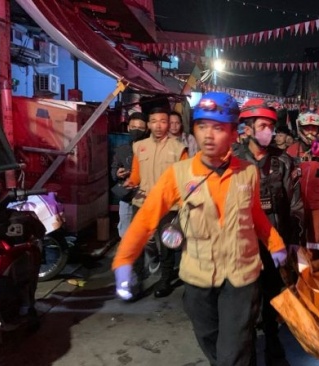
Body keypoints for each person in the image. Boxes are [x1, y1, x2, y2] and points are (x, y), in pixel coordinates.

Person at [113, 92, 287, 366]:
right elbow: (146, 217)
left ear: (233, 133)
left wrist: (275, 243)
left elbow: (255, 216)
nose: (208, 135)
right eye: (202, 126)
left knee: (233, 350)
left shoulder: (248, 173)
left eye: (218, 128)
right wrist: (124, 260)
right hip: (197, 275)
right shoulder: (178, 174)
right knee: (209, 338)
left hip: (240, 276)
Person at [234, 98, 304, 364]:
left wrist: (295, 241)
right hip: (242, 244)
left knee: (273, 297)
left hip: (275, 242)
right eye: (262, 125)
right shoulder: (233, 160)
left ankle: (274, 348)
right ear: (248, 128)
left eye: (271, 126)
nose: (268, 132)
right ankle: (248, 352)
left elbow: (296, 204)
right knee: (245, 303)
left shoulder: (283, 161)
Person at [123, 107, 188, 298]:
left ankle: (165, 281)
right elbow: (136, 174)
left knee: (167, 246)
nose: (158, 126)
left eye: (163, 121)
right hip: (142, 203)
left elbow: (185, 178)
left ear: (168, 124)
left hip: (168, 205)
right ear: (149, 124)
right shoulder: (139, 146)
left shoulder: (179, 148)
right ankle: (135, 282)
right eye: (154, 121)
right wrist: (131, 182)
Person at [286, 111, 319, 257]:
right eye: (307, 127)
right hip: (296, 206)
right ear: (300, 128)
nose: (310, 131)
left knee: (316, 242)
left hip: (318, 206)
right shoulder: (291, 151)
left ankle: (315, 271)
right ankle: (299, 274)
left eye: (314, 128)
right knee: (296, 241)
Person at [111, 112, 147, 238]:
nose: (136, 131)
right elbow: (113, 170)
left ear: (146, 129)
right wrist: (117, 173)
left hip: (144, 197)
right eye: (133, 128)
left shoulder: (150, 149)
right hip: (126, 197)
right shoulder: (122, 150)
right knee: (125, 233)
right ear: (128, 128)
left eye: (140, 128)